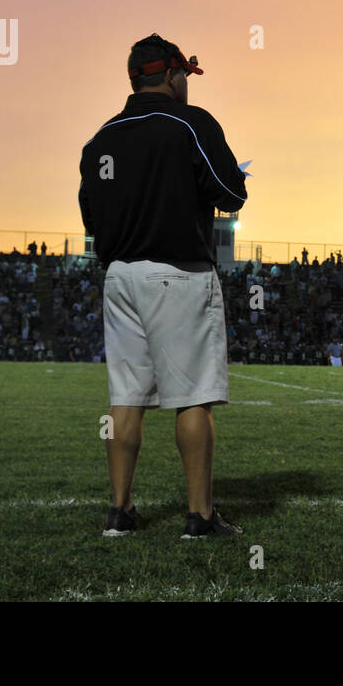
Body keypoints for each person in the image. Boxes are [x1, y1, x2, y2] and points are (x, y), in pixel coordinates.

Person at [79, 33, 248, 539]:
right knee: (193, 395)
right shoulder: (190, 123)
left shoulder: (100, 138)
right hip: (177, 272)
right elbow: (231, 194)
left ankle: (120, 511)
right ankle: (198, 515)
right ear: (173, 75)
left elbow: (91, 217)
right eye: (184, 77)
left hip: (119, 275)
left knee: (126, 397)